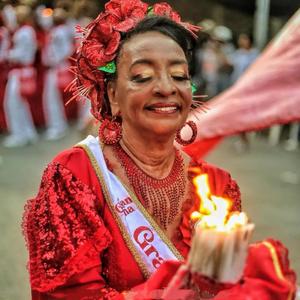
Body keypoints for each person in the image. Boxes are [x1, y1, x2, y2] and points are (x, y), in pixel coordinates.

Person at [23, 1, 296, 299]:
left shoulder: (218, 185)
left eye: (179, 76)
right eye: (142, 76)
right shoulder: (77, 176)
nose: (167, 88)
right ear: (112, 96)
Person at [2, 5, 38, 147]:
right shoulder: (27, 30)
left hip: (20, 72)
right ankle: (28, 133)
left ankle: (19, 135)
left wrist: (8, 54)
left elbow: (21, 55)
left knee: (12, 103)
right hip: (24, 71)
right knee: (21, 104)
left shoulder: (24, 32)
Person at [42, 7, 74, 140]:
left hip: (57, 68)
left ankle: (57, 126)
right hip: (57, 67)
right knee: (52, 98)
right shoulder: (61, 30)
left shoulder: (60, 31)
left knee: (52, 98)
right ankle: (57, 125)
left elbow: (66, 50)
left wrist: (54, 60)